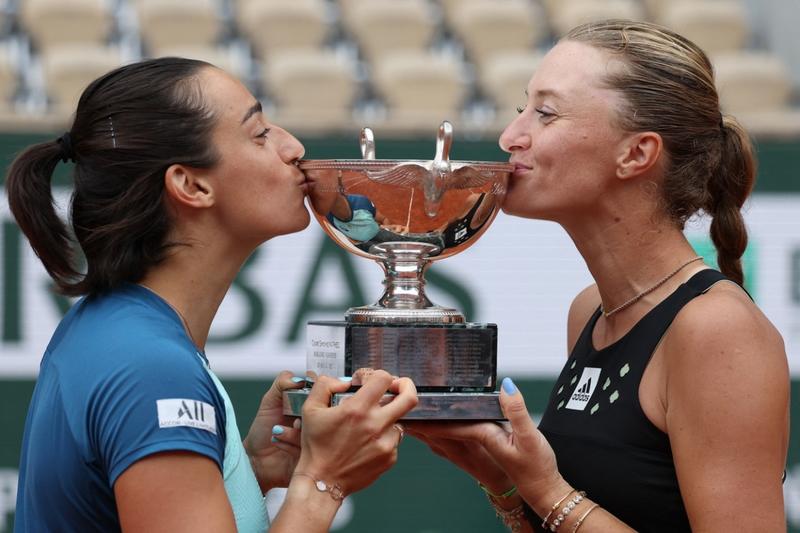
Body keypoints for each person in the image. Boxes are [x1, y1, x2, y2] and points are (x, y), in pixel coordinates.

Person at [7, 57, 417, 533]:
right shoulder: (152, 368)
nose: (293, 147)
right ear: (191, 184)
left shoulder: (117, 329)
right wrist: (325, 481)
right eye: (260, 133)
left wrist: (248, 469)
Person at [408, 19, 789, 532]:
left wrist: (547, 490)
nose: (510, 137)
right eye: (523, 109)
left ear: (636, 154)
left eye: (545, 113)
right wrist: (505, 482)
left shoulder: (717, 329)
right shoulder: (590, 310)